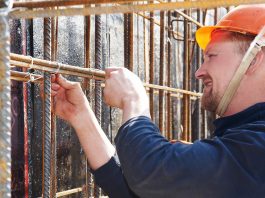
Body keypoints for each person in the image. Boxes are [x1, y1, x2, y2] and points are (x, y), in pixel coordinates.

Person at [51, 4, 265, 198]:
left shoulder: (257, 148)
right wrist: (80, 116)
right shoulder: (243, 142)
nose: (199, 72)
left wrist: (133, 99)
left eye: (212, 56)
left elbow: (151, 173)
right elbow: (141, 190)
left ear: (254, 59)